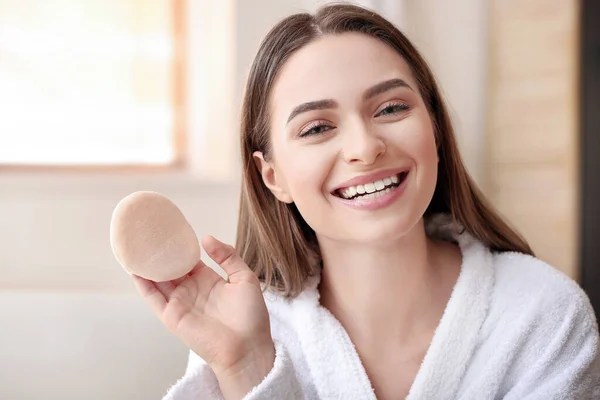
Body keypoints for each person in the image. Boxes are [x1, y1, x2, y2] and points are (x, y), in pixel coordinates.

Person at [133, 4, 600, 399]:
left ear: (434, 129)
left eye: (391, 108)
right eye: (317, 128)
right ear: (273, 177)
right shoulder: (242, 328)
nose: (365, 146)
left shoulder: (541, 314)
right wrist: (245, 364)